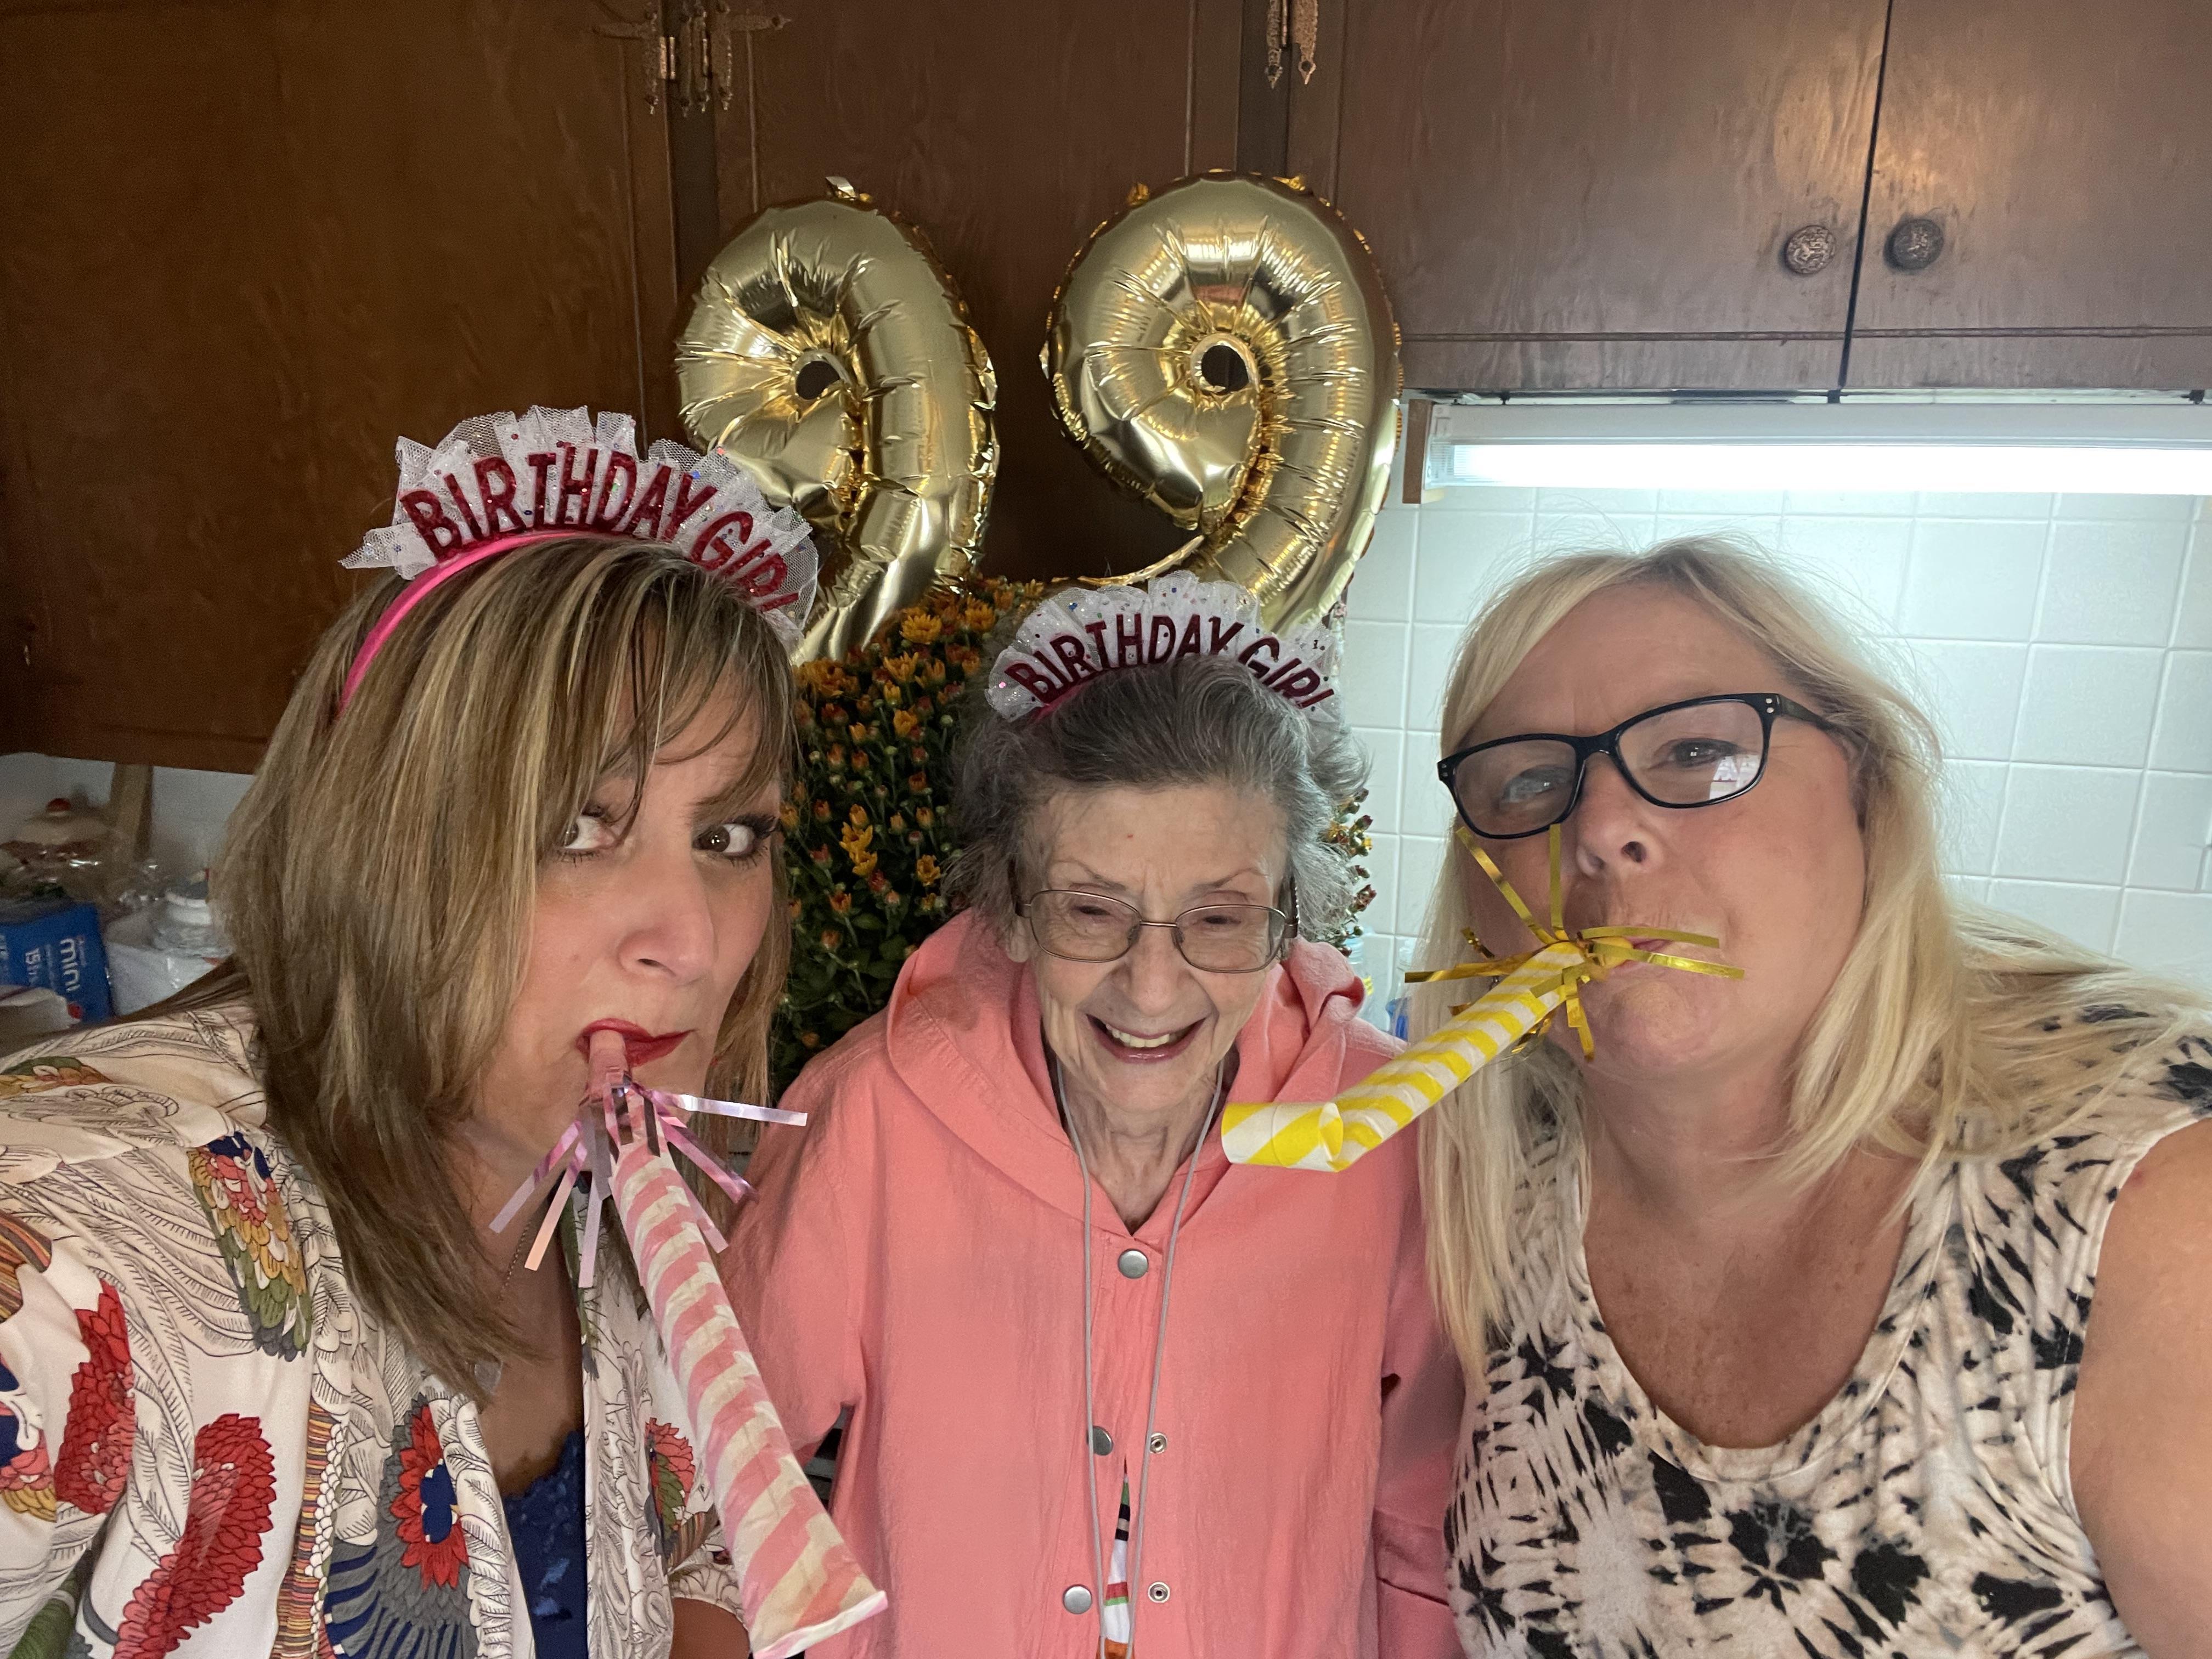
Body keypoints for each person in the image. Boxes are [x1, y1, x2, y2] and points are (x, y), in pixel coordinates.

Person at [0, 407, 820, 1658]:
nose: (694, 943)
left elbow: (689, 1534)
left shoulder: (620, 1178)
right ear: (383, 847)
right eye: (577, 826)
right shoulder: (98, 1227)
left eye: (729, 837)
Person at [1411, 536, 2212, 1657]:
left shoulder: (2155, 1210)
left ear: (1866, 789)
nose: (1598, 831)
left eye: (1698, 749)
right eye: (1532, 780)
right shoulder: (1486, 1181)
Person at [721, 575, 1463, 1657]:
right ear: (1010, 904)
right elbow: (717, 1479)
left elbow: (1422, 1535)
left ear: (1290, 915)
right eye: (1091, 911)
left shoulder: (1387, 1134)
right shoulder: (873, 1115)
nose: (1151, 990)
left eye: (1219, 918)